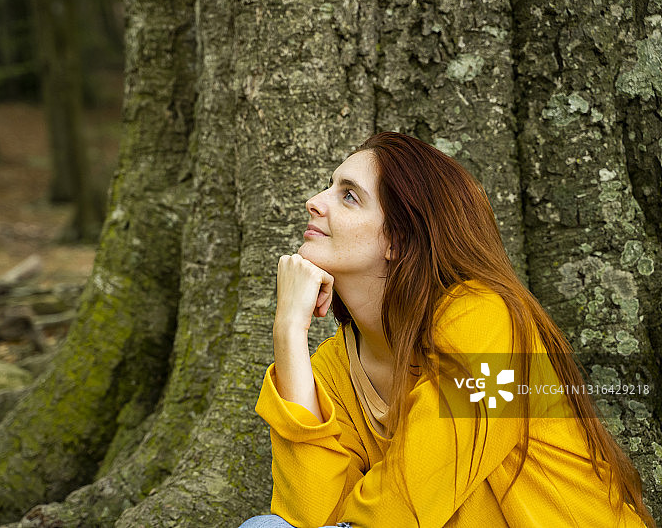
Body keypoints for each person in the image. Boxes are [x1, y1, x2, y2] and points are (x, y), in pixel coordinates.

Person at [238, 132, 654, 528]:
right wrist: (289, 330)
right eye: (329, 188)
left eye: (349, 196)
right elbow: (307, 515)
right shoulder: (334, 367)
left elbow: (412, 497)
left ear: (398, 240)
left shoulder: (488, 320)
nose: (314, 202)